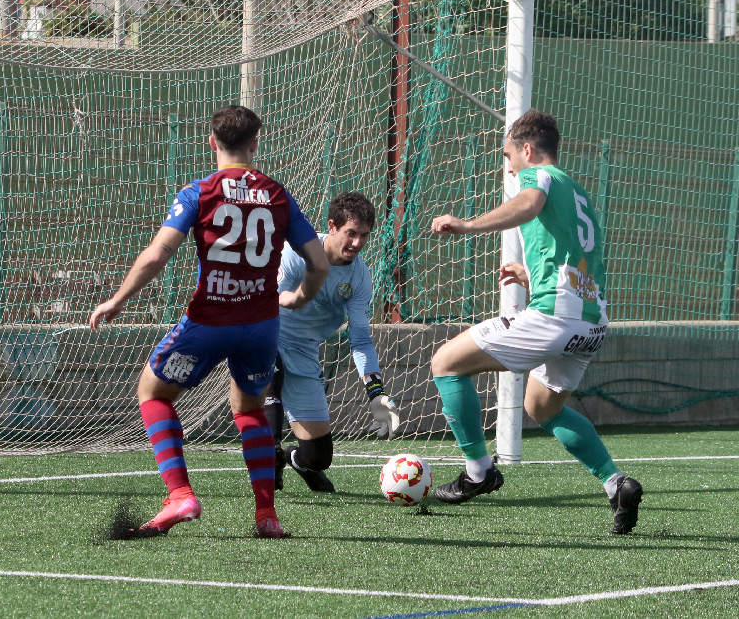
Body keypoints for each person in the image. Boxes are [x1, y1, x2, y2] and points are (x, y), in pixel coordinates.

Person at [89, 105, 328, 538]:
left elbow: (157, 254)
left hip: (210, 320)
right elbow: (318, 262)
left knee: (152, 391)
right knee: (250, 407)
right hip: (261, 324)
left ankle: (180, 494)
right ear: (256, 143)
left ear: (212, 142)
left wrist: (118, 299)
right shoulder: (278, 195)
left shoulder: (198, 192)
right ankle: (266, 516)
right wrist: (301, 296)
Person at [428, 109, 643, 535]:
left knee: (446, 363)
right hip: (591, 323)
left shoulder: (539, 178)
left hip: (554, 319)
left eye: (508, 155)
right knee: (541, 406)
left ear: (527, 149)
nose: (508, 166)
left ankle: (478, 472)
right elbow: (578, 260)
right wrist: (531, 276)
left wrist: (468, 225)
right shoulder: (579, 194)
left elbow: (529, 203)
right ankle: (616, 484)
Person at [264, 192, 400, 493]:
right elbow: (265, 303)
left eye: (364, 235)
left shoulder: (361, 278)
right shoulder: (295, 255)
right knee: (269, 370)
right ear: (332, 226)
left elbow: (361, 339)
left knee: (319, 457)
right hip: (267, 337)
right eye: (351, 233)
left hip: (304, 352)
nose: (357, 243)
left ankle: (295, 460)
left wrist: (376, 394)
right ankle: (269, 452)